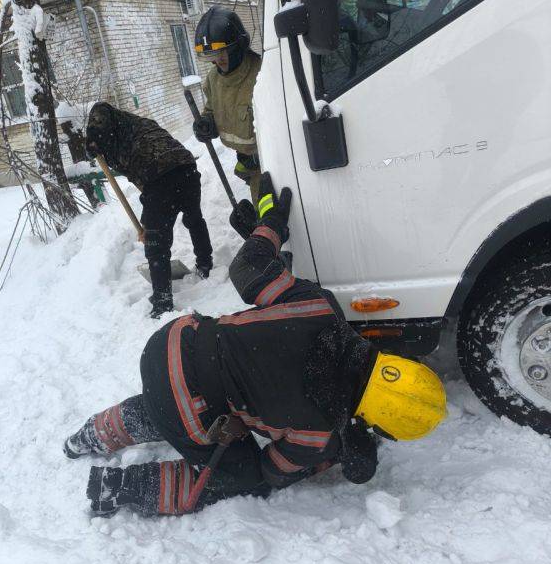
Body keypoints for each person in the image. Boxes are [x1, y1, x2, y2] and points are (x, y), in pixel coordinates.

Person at [64, 175, 447, 518]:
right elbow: (271, 470)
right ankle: (121, 488)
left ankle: (89, 434)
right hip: (184, 401)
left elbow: (247, 267)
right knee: (242, 477)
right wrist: (336, 452)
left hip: (172, 341)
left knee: (176, 398)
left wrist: (270, 223)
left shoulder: (318, 308)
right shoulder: (317, 435)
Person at [85, 101, 213, 318]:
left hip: (160, 175)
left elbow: (100, 114)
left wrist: (93, 138)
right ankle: (205, 263)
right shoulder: (136, 124)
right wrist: (150, 220)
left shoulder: (107, 125)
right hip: (186, 168)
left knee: (157, 245)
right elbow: (140, 169)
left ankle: (163, 301)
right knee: (193, 219)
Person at [192, 6, 262, 208]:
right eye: (211, 56)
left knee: (269, 214)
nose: (216, 62)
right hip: (246, 162)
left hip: (270, 166)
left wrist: (260, 156)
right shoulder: (214, 79)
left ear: (236, 47)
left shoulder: (262, 74)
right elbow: (212, 109)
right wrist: (206, 123)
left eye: (221, 53)